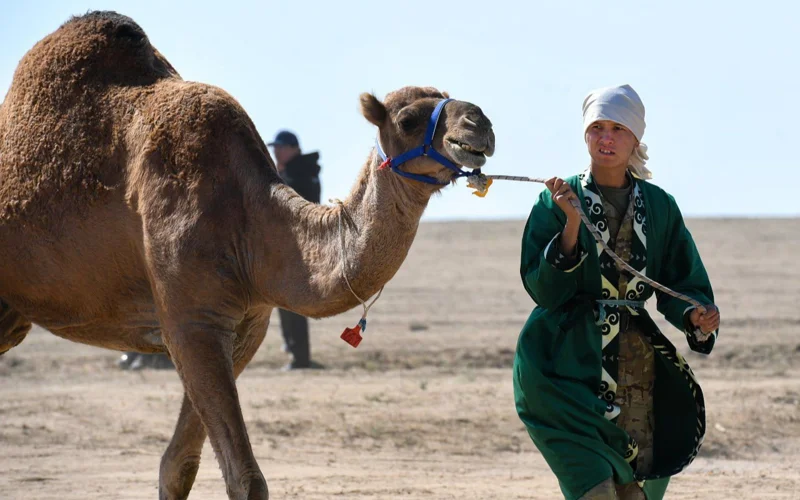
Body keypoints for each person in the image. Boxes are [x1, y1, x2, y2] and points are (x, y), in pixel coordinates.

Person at [513, 84, 721, 500]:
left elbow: (683, 281)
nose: (606, 138)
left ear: (635, 139)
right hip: (565, 369)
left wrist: (696, 316)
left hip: (639, 369)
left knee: (635, 493)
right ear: (585, 134)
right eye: (597, 127)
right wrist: (570, 222)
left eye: (618, 129)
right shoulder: (554, 200)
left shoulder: (660, 206)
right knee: (594, 489)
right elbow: (542, 289)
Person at [268, 130, 324, 370]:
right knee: (286, 302)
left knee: (291, 302)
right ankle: (295, 352)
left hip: (296, 249)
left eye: (280, 147)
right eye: (274, 147)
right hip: (286, 248)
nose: (275, 151)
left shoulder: (298, 175)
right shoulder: (294, 172)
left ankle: (299, 356)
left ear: (293, 148)